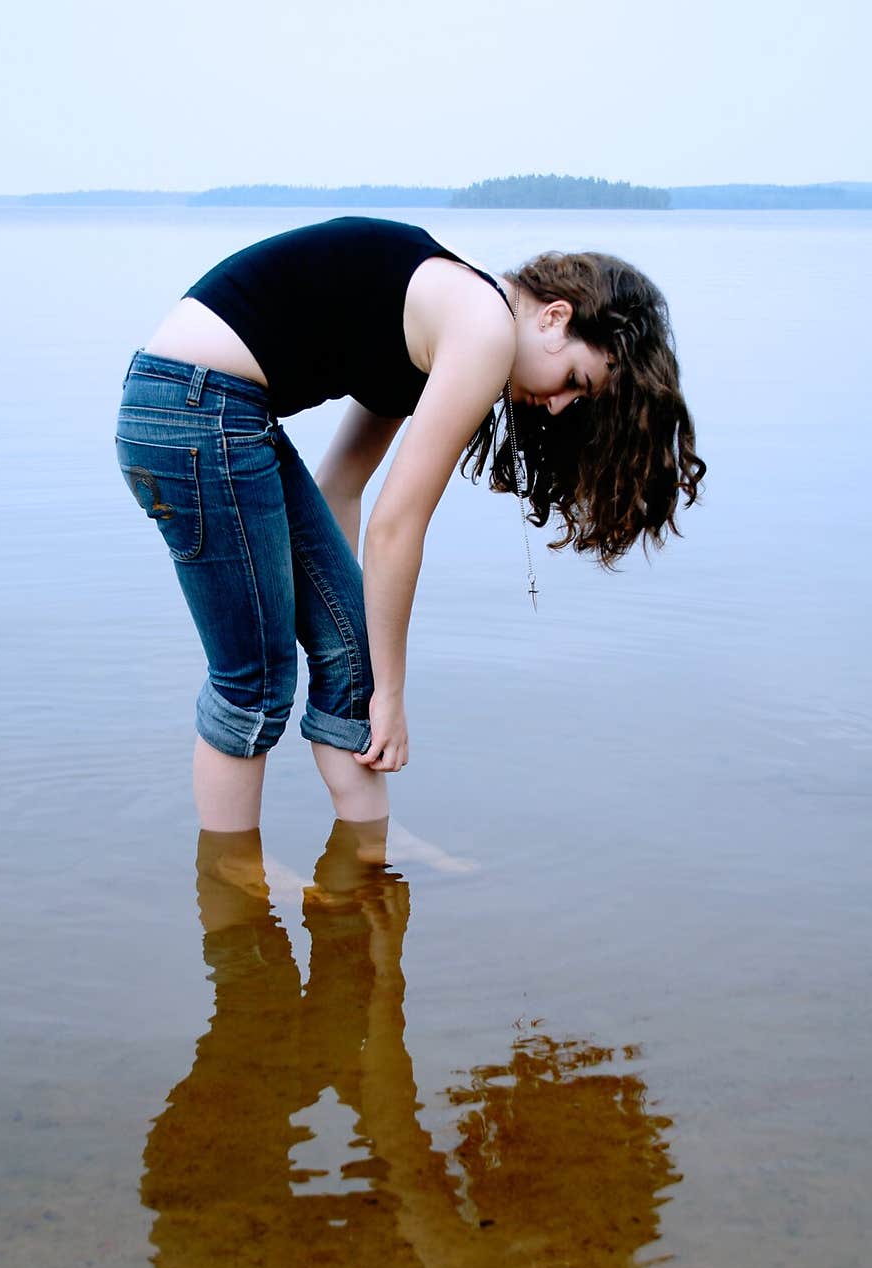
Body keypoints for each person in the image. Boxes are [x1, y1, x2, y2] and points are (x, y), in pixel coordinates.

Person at [116, 216, 705, 833]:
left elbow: (342, 487)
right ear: (556, 317)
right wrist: (391, 699)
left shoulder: (445, 320)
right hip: (194, 409)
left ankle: (370, 861)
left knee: (349, 661)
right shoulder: (484, 328)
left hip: (200, 408)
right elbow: (396, 527)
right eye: (575, 382)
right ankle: (236, 884)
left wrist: (346, 633)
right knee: (253, 685)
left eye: (577, 402)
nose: (559, 404)